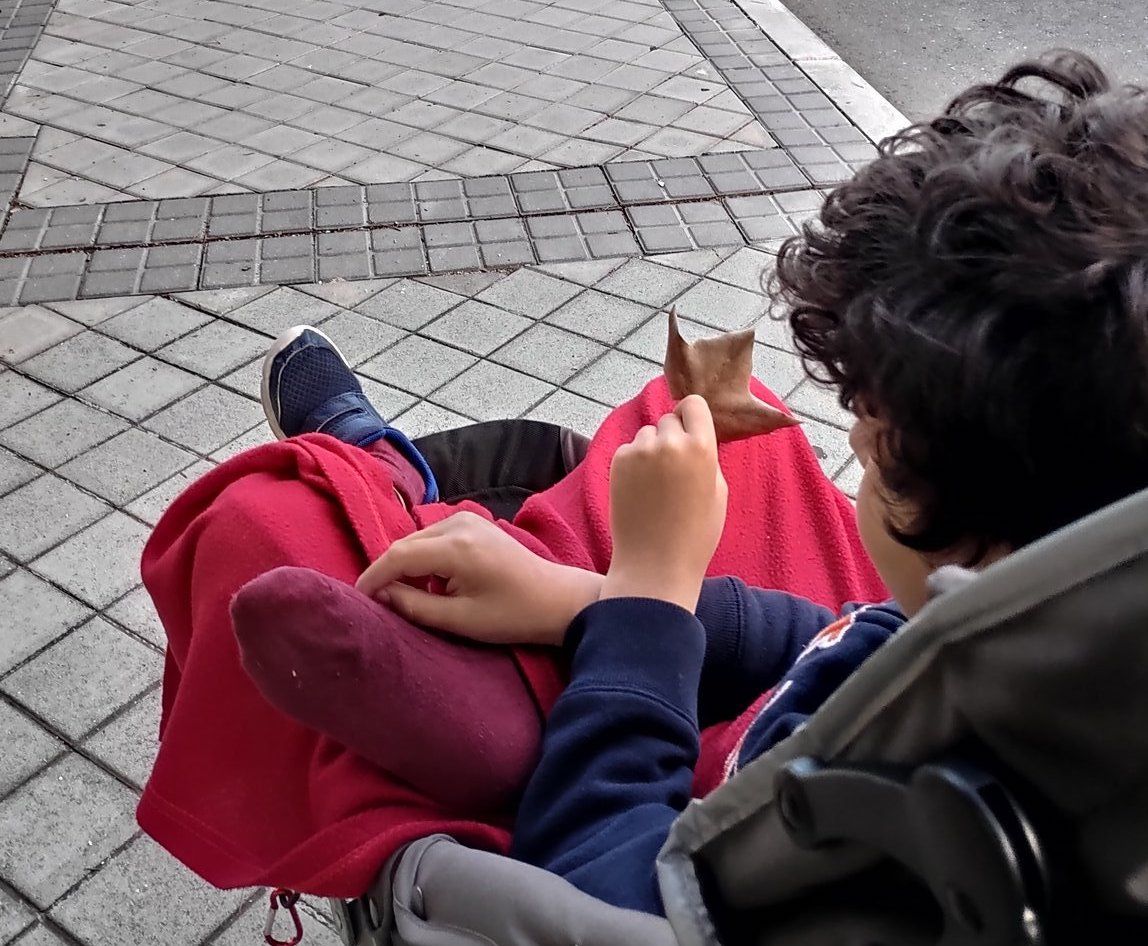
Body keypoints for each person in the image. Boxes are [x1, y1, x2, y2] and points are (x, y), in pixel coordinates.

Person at [349, 49, 1148, 915]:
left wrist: (649, 593)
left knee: (339, 527)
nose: (853, 434)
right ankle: (378, 466)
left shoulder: (903, 793)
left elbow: (602, 894)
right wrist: (584, 600)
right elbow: (847, 635)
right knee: (598, 455)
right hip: (661, 646)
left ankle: (360, 471)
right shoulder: (1044, 664)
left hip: (633, 802)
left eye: (877, 444)